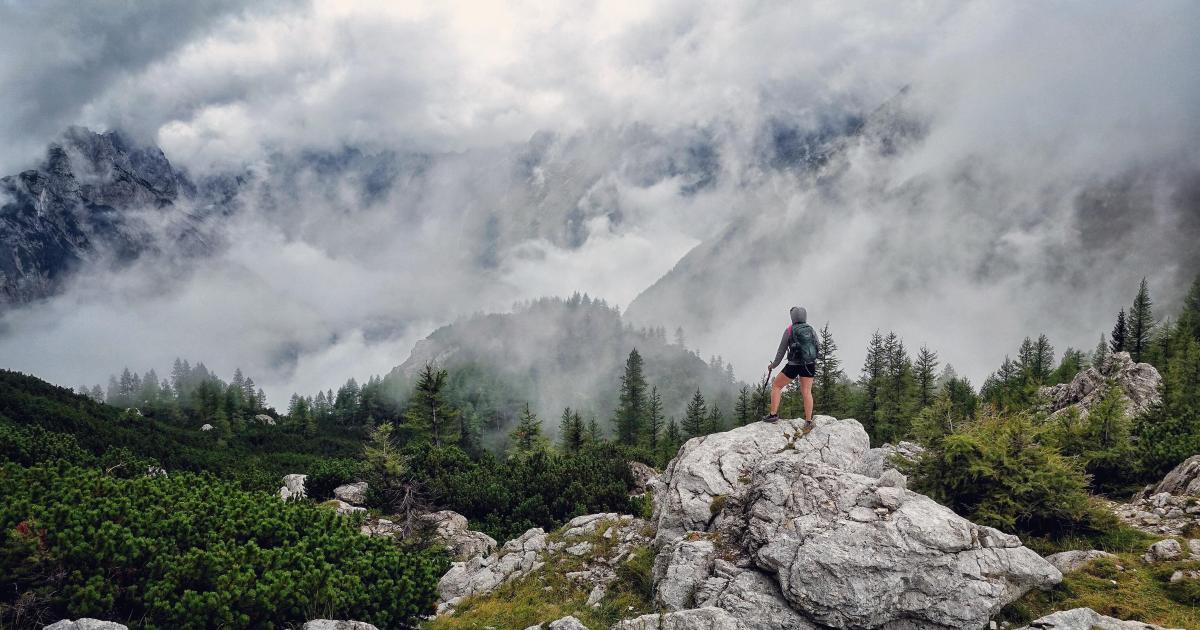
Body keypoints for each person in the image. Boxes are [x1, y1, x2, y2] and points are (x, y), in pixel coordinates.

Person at [763, 306, 819, 428]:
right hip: (809, 364)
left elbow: (781, 352)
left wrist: (773, 366)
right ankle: (808, 421)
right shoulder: (810, 329)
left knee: (776, 386)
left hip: (793, 366)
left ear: (792, 317)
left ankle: (773, 415)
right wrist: (811, 360)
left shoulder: (789, 330)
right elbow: (817, 346)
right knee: (807, 391)